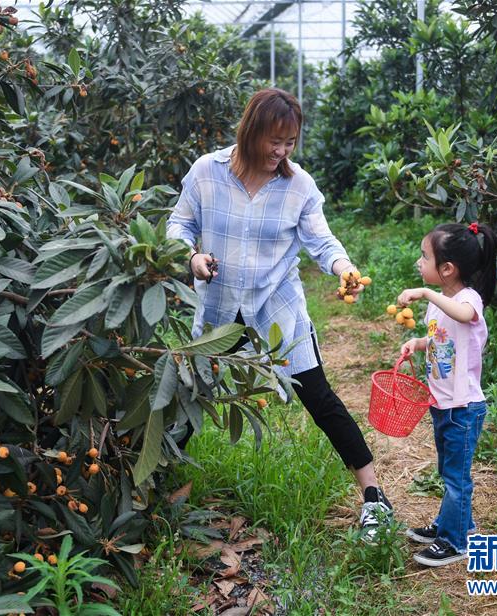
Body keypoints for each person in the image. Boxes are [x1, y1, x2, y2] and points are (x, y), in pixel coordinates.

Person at [166, 88, 392, 541]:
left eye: (290, 142)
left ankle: (373, 496)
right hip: (219, 308)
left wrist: (344, 268)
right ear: (251, 131)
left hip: (276, 308)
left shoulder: (298, 185)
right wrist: (191, 257)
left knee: (319, 397)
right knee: (192, 394)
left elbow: (322, 241)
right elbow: (180, 223)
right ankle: (153, 486)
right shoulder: (207, 171)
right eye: (274, 141)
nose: (281, 151)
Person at [396, 221, 497, 566]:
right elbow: (442, 338)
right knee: (448, 470)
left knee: (457, 477)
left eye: (424, 256)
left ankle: (455, 542)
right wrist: (419, 342)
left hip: (464, 407)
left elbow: (464, 316)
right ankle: (455, 524)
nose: (419, 262)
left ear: (448, 269)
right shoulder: (440, 304)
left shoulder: (468, 299)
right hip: (442, 403)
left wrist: (425, 293)